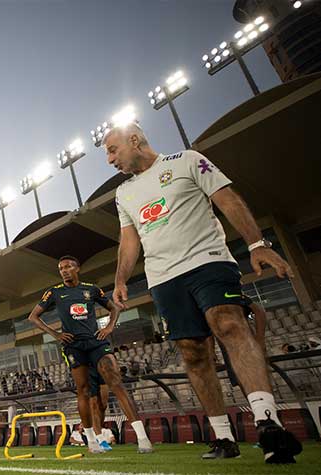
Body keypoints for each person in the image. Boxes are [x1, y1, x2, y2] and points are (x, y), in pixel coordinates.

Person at [104, 123, 302, 463]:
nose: (109, 159)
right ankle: (224, 437)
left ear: (135, 140)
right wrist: (121, 280)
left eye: (112, 149)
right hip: (164, 278)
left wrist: (257, 244)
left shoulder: (187, 161)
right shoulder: (124, 194)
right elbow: (129, 239)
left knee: (228, 324)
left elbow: (227, 199)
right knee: (193, 352)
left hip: (208, 261)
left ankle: (267, 422)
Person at [28, 255, 153, 454]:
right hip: (73, 345)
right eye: (61, 268)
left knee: (115, 381)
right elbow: (33, 317)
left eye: (68, 266)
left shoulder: (92, 289)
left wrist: (110, 327)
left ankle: (143, 438)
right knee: (83, 390)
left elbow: (114, 308)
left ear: (77, 268)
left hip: (96, 341)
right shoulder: (54, 292)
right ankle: (92, 442)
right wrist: (56, 334)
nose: (64, 270)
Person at [88, 367, 113, 451]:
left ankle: (98, 433)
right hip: (86, 367)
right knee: (93, 405)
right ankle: (100, 439)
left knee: (103, 405)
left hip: (100, 366)